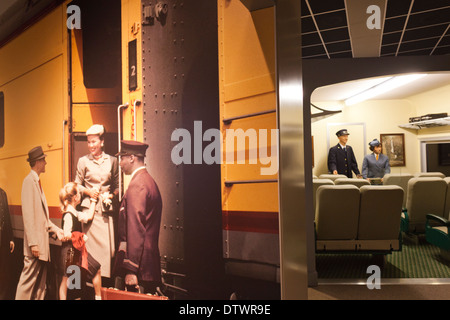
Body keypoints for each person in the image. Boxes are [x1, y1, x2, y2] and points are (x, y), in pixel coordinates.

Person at [15, 146, 64, 300]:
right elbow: (28, 216)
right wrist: (33, 244)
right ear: (37, 162)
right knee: (28, 282)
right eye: (44, 160)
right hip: (36, 247)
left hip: (42, 245)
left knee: (40, 284)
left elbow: (42, 218)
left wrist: (56, 229)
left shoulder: (36, 182)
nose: (45, 163)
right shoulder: (29, 182)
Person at [114, 140, 162, 294]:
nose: (120, 163)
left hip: (139, 268)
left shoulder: (137, 184)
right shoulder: (149, 181)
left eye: (122, 158)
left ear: (132, 158)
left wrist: (130, 268)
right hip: (147, 264)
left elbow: (135, 228)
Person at [75, 124, 119, 279]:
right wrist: (88, 191)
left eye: (94, 142)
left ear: (102, 142)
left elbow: (118, 186)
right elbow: (76, 185)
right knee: (91, 252)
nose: (91, 145)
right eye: (89, 142)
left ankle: (104, 284)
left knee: (109, 251)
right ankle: (91, 286)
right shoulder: (83, 161)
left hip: (106, 211)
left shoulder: (112, 161)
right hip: (90, 214)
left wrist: (111, 195)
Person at [58, 182, 102, 300]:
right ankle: (98, 297)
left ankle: (97, 297)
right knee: (66, 281)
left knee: (73, 284)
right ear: (75, 197)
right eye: (79, 193)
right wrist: (81, 236)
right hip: (69, 252)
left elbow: (88, 216)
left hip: (75, 252)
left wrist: (93, 200)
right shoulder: (68, 215)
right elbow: (67, 234)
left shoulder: (74, 213)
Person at [0, 187, 15, 299]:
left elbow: (7, 216)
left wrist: (11, 238)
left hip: (3, 239)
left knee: (4, 272)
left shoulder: (2, 193)